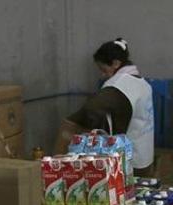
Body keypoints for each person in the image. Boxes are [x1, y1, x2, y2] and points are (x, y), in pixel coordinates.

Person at [65, 38, 154, 171]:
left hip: (129, 161)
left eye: (104, 69)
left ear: (116, 63)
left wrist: (72, 127)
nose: (102, 75)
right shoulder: (142, 83)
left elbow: (90, 108)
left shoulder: (117, 85)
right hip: (145, 155)